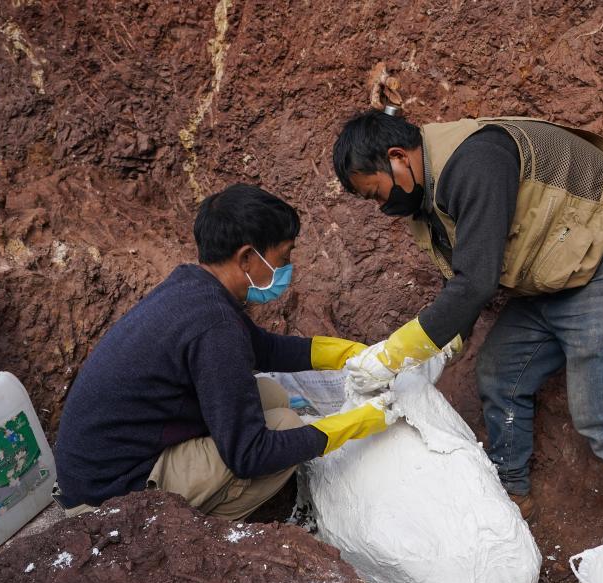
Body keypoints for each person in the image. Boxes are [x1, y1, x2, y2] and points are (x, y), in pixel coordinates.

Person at [333, 109, 603, 541]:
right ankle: (510, 494)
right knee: (500, 374)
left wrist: (394, 354)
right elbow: (463, 277)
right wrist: (445, 344)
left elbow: (475, 283)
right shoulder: (430, 195)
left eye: (376, 192)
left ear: (397, 157)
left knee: (602, 410)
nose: (382, 206)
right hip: (558, 269)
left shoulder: (473, 160)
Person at [53, 184, 392, 518]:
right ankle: (196, 531)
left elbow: (263, 348)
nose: (287, 268)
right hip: (108, 494)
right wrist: (345, 427)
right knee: (285, 426)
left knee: (272, 395)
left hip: (108, 457)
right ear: (247, 257)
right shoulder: (214, 326)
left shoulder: (193, 286)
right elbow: (250, 454)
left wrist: (343, 354)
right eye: (283, 257)